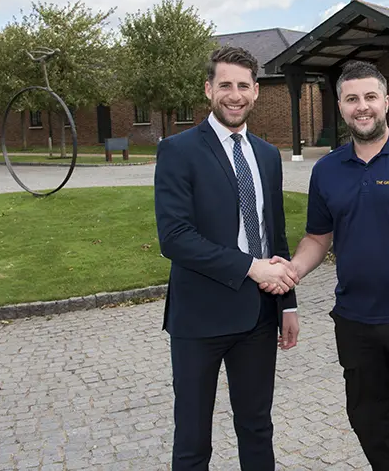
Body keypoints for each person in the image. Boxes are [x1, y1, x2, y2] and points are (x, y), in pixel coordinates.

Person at [264, 60, 389, 470]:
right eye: (352, 98)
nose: (362, 106)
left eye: (370, 97)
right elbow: (318, 239)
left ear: (386, 102)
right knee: (372, 428)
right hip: (355, 324)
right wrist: (293, 271)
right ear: (339, 106)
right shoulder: (327, 170)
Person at [154, 45, 302, 471]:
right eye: (225, 86)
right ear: (208, 90)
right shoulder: (178, 151)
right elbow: (175, 238)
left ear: (256, 91)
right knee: (193, 437)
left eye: (243, 86)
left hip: (258, 317)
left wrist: (287, 302)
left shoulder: (267, 155)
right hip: (199, 318)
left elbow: (275, 232)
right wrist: (252, 268)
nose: (234, 95)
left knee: (257, 429)